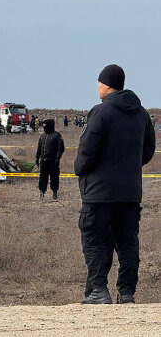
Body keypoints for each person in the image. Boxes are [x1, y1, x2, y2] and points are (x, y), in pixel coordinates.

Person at [74, 64, 155, 305]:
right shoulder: (141, 114)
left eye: (99, 82)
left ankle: (99, 290)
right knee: (128, 242)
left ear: (106, 84)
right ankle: (127, 293)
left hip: (99, 193)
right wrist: (128, 168)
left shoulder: (100, 112)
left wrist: (81, 169)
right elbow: (148, 149)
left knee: (96, 240)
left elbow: (87, 150)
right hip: (130, 193)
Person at [35, 119, 65, 200]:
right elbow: (39, 147)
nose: (44, 127)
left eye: (45, 125)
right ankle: (42, 192)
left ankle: (54, 192)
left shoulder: (57, 135)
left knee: (54, 177)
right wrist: (37, 157)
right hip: (43, 161)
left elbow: (61, 148)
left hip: (53, 161)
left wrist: (58, 158)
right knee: (42, 177)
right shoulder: (43, 136)